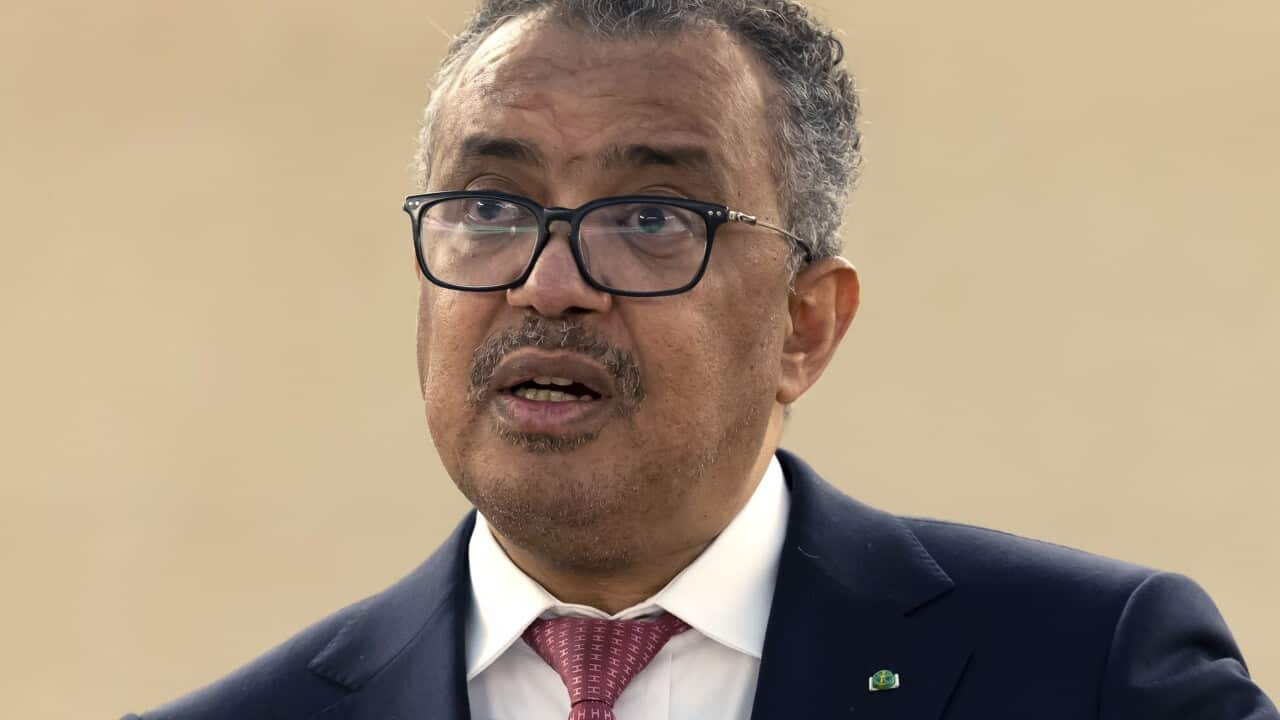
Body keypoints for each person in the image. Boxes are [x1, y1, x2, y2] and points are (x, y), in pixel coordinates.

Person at [123, 1, 1277, 718]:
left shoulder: (1088, 677)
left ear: (802, 327)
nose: (544, 282)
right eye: (488, 204)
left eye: (649, 220)